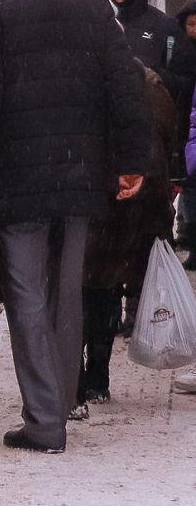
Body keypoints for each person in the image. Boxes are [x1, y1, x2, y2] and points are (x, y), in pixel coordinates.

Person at [0, 0, 147, 455]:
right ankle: (59, 404)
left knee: (26, 292)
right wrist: (132, 162)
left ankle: (44, 421)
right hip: (83, 177)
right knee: (67, 292)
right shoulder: (92, 7)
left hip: (21, 178)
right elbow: (124, 88)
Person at [77, 62, 177, 413]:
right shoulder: (146, 81)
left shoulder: (80, 79)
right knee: (106, 288)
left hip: (87, 199)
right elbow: (165, 143)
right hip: (128, 205)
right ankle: (97, 379)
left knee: (74, 292)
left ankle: (75, 380)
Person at [101, 0, 196, 308]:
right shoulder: (105, 26)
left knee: (149, 231)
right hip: (112, 147)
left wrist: (148, 75)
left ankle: (141, 307)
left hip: (156, 148)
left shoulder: (163, 27)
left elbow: (185, 81)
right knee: (112, 233)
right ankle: (110, 308)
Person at [173, 0, 196, 260]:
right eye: (190, 24)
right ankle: (186, 231)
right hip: (186, 125)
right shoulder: (179, 51)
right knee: (186, 182)